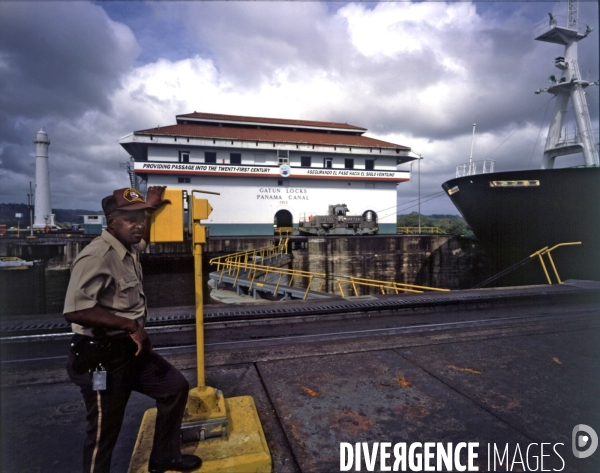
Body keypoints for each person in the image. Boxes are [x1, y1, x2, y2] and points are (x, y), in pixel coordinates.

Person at [64, 187, 201, 473]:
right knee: (104, 434)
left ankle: (163, 457)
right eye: (130, 218)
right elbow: (75, 310)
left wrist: (149, 206)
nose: (138, 224)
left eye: (141, 217)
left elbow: (142, 237)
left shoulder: (128, 247)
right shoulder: (97, 256)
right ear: (111, 221)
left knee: (175, 388)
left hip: (132, 352)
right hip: (102, 358)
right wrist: (131, 326)